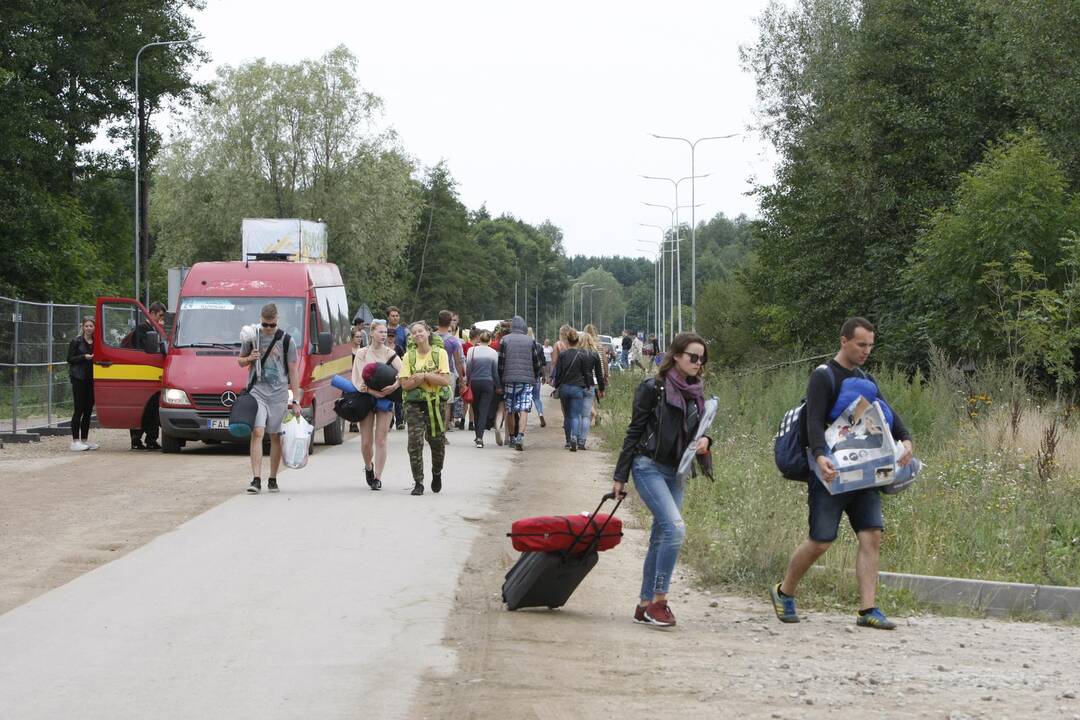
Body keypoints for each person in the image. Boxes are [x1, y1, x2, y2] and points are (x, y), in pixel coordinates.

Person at [770, 317, 914, 631]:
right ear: (844, 341)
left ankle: (868, 609)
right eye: (861, 344)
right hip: (829, 474)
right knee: (821, 541)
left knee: (871, 535)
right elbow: (813, 421)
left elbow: (888, 414)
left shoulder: (866, 378)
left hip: (865, 474)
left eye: (871, 346)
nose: (867, 351)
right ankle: (784, 591)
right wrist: (820, 457)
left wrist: (906, 439)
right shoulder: (823, 376)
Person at [612, 332, 713, 628]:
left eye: (702, 358)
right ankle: (659, 600)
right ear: (676, 356)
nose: (698, 362)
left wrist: (706, 439)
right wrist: (620, 476)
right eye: (693, 356)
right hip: (648, 466)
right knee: (674, 529)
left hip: (676, 470)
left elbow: (699, 429)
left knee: (661, 535)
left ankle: (644, 605)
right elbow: (634, 431)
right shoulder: (653, 387)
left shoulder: (696, 391)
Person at [239, 303, 300, 494]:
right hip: (257, 391)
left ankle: (272, 478)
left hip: (279, 393)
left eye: (272, 325)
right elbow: (240, 361)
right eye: (265, 324)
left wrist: (296, 400)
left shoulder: (287, 340)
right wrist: (250, 358)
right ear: (260, 320)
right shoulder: (251, 338)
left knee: (275, 436)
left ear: (277, 321)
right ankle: (256, 478)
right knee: (257, 431)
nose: (268, 329)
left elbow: (293, 371)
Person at [398, 321, 450, 495]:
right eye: (414, 332)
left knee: (437, 441)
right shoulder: (409, 356)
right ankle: (418, 482)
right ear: (411, 337)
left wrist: (422, 375)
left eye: (421, 331)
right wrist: (425, 379)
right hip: (414, 405)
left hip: (435, 403)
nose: (418, 334)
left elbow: (444, 380)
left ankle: (436, 472)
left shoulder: (439, 353)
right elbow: (405, 384)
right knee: (414, 443)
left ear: (428, 333)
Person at [351, 320, 402, 490]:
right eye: (380, 332)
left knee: (380, 439)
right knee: (366, 442)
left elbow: (403, 372)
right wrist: (373, 393)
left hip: (386, 399)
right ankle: (368, 467)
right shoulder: (362, 353)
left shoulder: (390, 353)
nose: (383, 335)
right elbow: (358, 380)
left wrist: (393, 387)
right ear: (371, 333)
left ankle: (378, 478)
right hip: (366, 397)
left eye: (385, 332)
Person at [552, 327, 604, 451]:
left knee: (568, 416)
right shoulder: (588, 354)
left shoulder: (564, 354)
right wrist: (591, 385)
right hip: (580, 386)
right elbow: (590, 372)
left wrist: (557, 385)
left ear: (568, 341)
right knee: (579, 415)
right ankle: (578, 439)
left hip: (565, 387)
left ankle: (568, 440)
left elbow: (558, 372)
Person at [497, 316, 544, 451]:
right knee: (524, 409)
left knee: (510, 409)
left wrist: (501, 380)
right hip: (526, 380)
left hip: (509, 379)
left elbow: (501, 363)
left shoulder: (504, 340)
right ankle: (520, 436)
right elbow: (537, 363)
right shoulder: (530, 341)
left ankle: (512, 437)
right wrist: (534, 376)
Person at [129, 301, 166, 450]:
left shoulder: (153, 328)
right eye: (159, 316)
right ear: (151, 313)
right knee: (144, 409)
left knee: (152, 409)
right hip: (143, 372)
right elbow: (146, 350)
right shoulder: (142, 329)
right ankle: (137, 438)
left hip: (152, 373)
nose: (160, 319)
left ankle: (151, 438)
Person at [67, 317, 98, 451]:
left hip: (91, 379)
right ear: (83, 327)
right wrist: (84, 357)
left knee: (88, 410)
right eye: (87, 326)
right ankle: (75, 441)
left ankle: (84, 440)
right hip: (78, 378)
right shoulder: (76, 341)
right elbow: (69, 359)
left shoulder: (97, 342)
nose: (89, 328)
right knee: (78, 409)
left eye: (91, 326)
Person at [465, 330, 500, 448]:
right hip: (488, 383)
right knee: (484, 410)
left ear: (479, 339)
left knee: (475, 409)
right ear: (490, 340)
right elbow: (495, 372)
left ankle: (477, 435)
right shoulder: (493, 353)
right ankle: (480, 437)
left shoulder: (472, 350)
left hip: (474, 382)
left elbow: (468, 369)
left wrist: (468, 382)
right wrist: (498, 386)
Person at [435, 310, 467, 435]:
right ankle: (443, 432)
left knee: (433, 402)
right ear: (450, 323)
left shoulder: (431, 338)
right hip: (449, 374)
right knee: (447, 403)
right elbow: (458, 361)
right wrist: (462, 379)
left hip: (433, 373)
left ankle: (433, 429)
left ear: (438, 321)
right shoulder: (453, 341)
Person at [577, 325, 608, 449]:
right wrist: (602, 387)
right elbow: (603, 365)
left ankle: (577, 436)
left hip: (578, 384)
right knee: (587, 412)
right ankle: (582, 440)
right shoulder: (597, 349)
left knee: (579, 413)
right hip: (592, 381)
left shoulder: (576, 352)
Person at [386, 306, 408, 430]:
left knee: (399, 395)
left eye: (397, 316)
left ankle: (400, 420)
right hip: (386, 369)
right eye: (393, 315)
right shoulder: (383, 329)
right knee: (388, 394)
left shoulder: (404, 331)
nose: (395, 318)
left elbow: (407, 348)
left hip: (399, 365)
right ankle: (389, 420)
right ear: (388, 317)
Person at [349, 326, 367, 433]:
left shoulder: (364, 350)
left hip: (361, 377)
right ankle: (353, 423)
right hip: (351, 377)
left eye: (360, 337)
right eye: (357, 337)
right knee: (352, 400)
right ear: (352, 338)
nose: (359, 339)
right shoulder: (348, 351)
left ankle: (359, 422)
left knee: (360, 400)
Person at [529, 328, 547, 428]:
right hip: (536, 375)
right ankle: (540, 413)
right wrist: (543, 376)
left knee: (525, 398)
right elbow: (542, 363)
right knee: (536, 398)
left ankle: (524, 417)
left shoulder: (524, 345)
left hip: (526, 375)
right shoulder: (539, 346)